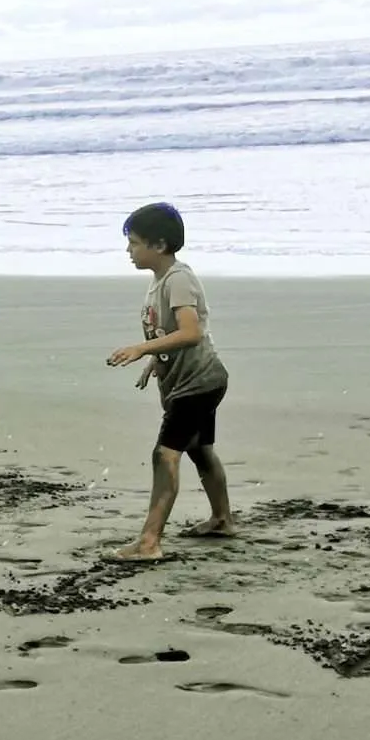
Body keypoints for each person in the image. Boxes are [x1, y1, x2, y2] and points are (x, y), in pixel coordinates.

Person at [104, 202, 233, 559]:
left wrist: (142, 349)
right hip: (193, 380)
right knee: (199, 450)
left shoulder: (178, 279)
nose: (128, 250)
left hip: (199, 382)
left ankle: (149, 542)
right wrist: (157, 362)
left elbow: (191, 332)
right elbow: (170, 334)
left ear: (158, 245)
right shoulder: (158, 283)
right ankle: (222, 518)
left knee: (165, 455)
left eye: (133, 243)